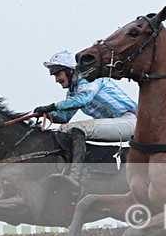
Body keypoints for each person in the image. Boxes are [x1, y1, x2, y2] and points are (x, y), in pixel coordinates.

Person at [33, 50, 139, 190]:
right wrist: (47, 114)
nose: (56, 79)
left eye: (58, 74)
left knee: (77, 129)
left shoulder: (89, 78)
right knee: (63, 129)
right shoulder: (73, 91)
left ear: (70, 71)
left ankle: (74, 176)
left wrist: (51, 106)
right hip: (118, 125)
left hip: (132, 121)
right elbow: (65, 118)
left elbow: (83, 99)